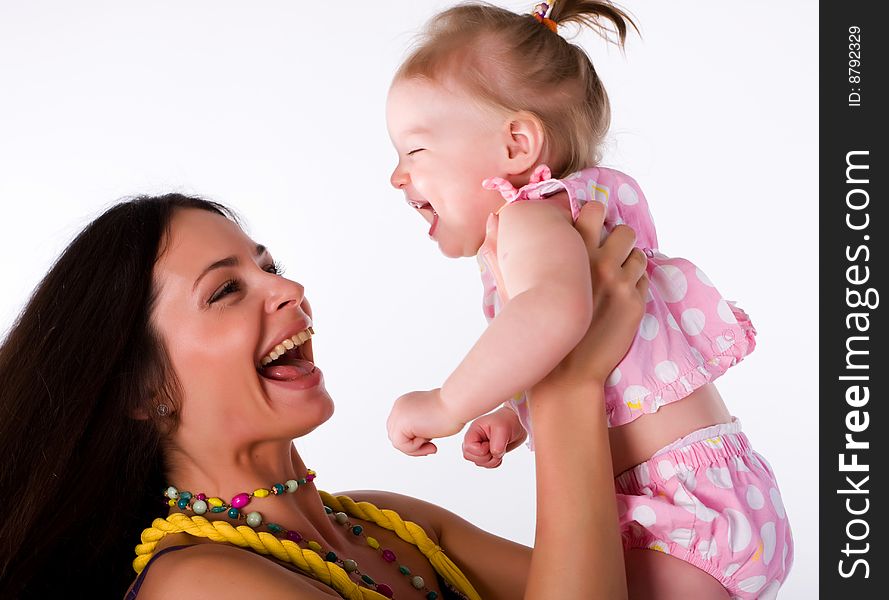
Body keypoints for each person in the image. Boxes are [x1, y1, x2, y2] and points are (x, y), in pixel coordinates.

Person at [0, 194, 646, 599]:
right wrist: (564, 383)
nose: (288, 290)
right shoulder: (199, 584)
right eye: (226, 291)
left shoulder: (393, 525)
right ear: (143, 389)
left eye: (269, 268)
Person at [384, 1, 792, 597]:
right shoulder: (584, 207)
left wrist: (446, 403)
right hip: (715, 493)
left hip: (675, 515)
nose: (397, 176)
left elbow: (556, 316)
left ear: (517, 144)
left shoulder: (529, 218)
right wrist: (511, 410)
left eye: (413, 152)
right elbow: (585, 349)